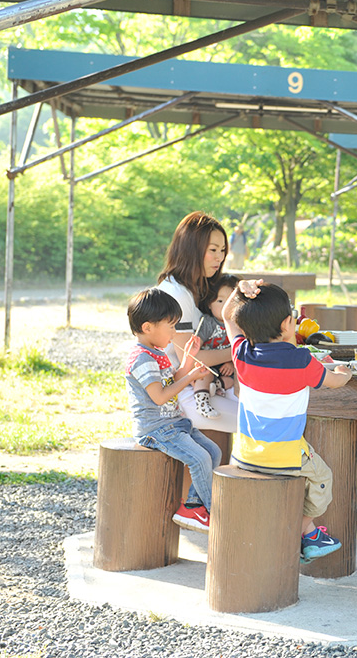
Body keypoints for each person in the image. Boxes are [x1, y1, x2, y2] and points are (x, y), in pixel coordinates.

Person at [222, 281, 354, 564]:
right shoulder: (301, 360)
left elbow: (225, 315)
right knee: (323, 478)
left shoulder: (242, 354)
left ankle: (307, 531)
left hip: (243, 456)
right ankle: (305, 528)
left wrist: (238, 293)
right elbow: (333, 382)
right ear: (287, 324)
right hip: (285, 458)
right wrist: (346, 373)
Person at [124, 287, 222, 533]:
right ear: (148, 327)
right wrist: (188, 377)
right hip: (156, 430)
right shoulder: (142, 358)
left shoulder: (156, 353)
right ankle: (215, 513)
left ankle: (192, 506)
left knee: (214, 451)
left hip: (174, 424)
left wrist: (188, 360)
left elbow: (170, 382)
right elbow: (159, 397)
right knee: (200, 458)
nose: (175, 332)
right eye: (171, 326)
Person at [157, 212, 241, 430]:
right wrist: (239, 349)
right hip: (181, 394)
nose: (220, 257)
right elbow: (192, 359)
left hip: (208, 383)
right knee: (265, 423)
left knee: (269, 406)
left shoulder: (198, 287)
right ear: (191, 250)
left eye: (222, 250)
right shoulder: (176, 293)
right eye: (213, 250)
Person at [189, 274, 240, 419]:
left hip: (225, 368)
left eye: (232, 301)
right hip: (209, 363)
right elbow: (196, 345)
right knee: (204, 376)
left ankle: (217, 385)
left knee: (231, 380)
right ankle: (202, 403)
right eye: (220, 301)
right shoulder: (207, 322)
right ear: (210, 304)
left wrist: (230, 362)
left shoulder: (238, 325)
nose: (226, 306)